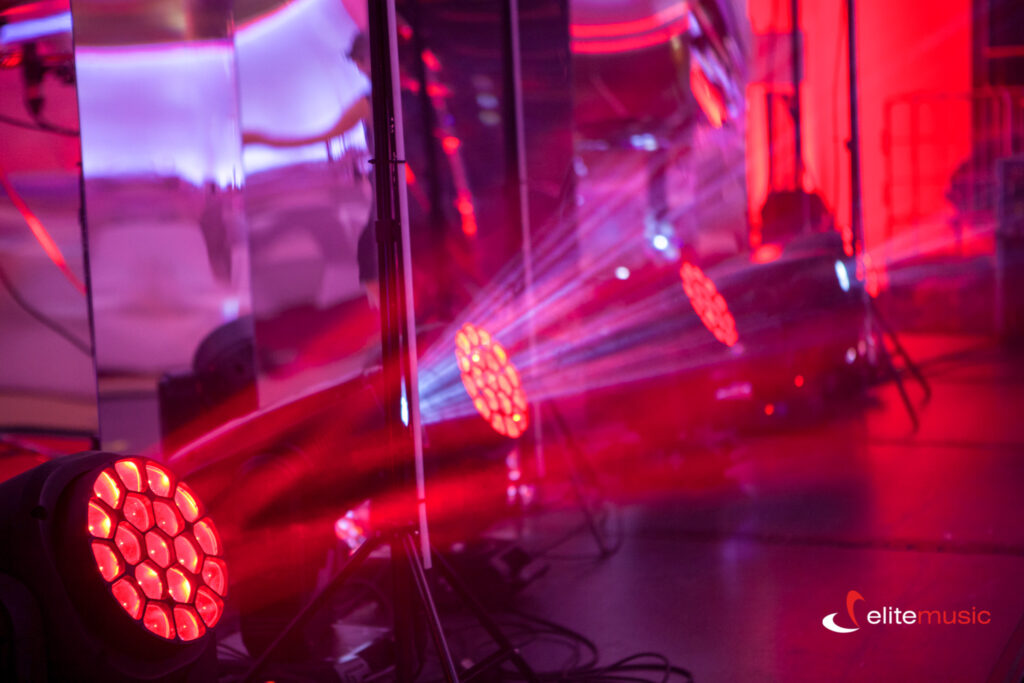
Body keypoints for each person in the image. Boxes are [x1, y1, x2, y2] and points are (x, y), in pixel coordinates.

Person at [243, 32, 380, 308]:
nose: (359, 68)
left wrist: (263, 140)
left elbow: (319, 137)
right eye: (357, 62)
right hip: (391, 184)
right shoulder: (380, 98)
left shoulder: (369, 102)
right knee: (373, 254)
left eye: (360, 61)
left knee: (372, 255)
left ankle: (392, 315)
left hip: (392, 186)